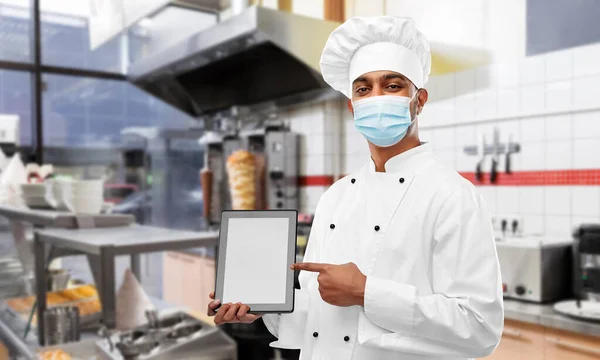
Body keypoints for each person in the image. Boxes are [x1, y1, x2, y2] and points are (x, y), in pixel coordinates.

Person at [207, 16, 504, 360]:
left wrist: (366, 292)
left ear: (419, 100)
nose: (376, 97)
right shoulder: (337, 196)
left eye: (392, 86)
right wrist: (263, 306)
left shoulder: (452, 195)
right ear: (352, 106)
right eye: (363, 89)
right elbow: (319, 320)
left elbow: (481, 328)